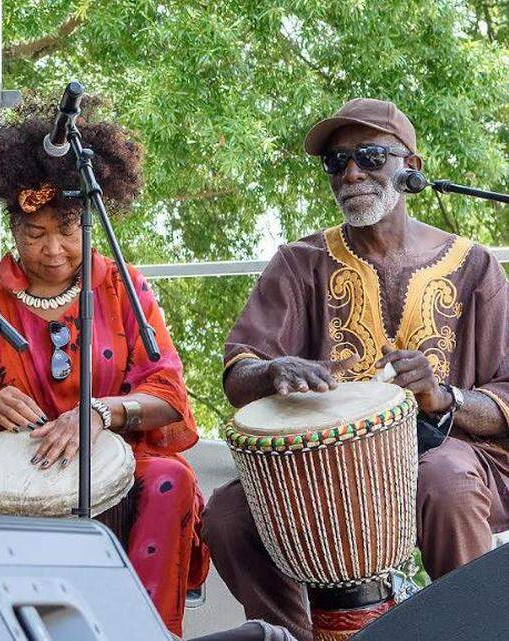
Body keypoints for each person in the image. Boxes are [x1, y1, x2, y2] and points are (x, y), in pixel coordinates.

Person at [201, 98, 509, 641]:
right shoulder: (300, 261)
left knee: (446, 482)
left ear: (410, 168)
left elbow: (506, 393)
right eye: (336, 163)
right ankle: (289, 637)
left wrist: (445, 397)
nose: (350, 173)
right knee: (229, 515)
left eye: (369, 157)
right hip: (325, 466)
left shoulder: (475, 264)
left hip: (448, 453)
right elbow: (238, 370)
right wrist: (275, 371)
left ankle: (469, 632)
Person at [0, 109, 209, 636]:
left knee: (170, 479)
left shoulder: (122, 288)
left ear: (87, 223)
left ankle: (144, 633)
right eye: (35, 233)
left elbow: (169, 391)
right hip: (5, 467)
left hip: (116, 458)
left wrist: (101, 413)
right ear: (13, 229)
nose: (53, 249)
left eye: (67, 230)